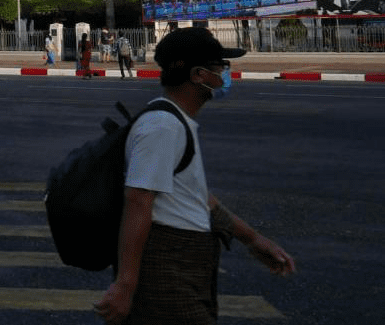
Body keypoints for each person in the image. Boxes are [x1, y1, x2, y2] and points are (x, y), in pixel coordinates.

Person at [94, 27, 295, 325]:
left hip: (185, 266)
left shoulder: (175, 121)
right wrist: (126, 284)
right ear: (199, 75)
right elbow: (138, 201)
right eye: (220, 67)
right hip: (166, 271)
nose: (225, 74)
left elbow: (200, 198)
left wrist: (252, 240)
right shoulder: (162, 126)